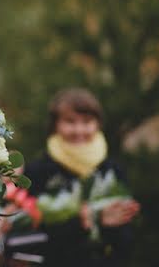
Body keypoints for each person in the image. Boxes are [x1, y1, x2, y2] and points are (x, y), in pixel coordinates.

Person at [21, 88, 139, 266]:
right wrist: (79, 224)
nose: (79, 130)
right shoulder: (38, 171)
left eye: (86, 121)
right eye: (70, 122)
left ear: (97, 124)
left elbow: (127, 241)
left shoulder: (112, 171)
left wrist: (108, 226)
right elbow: (27, 236)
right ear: (55, 125)